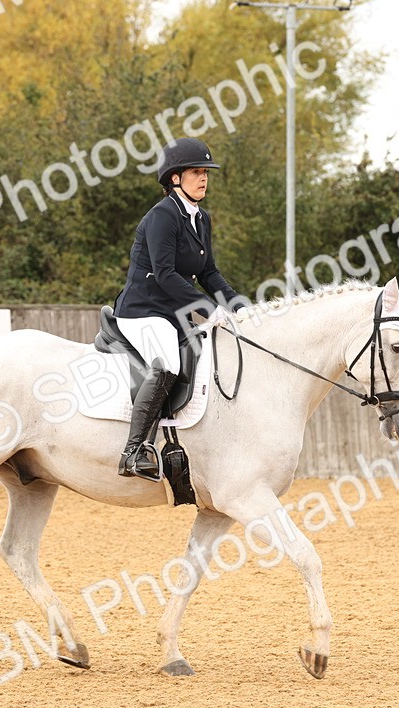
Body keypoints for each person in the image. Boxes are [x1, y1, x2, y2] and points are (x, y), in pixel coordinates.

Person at [113, 137, 248, 480]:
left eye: (206, 172)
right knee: (168, 365)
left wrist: (240, 307)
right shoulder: (162, 216)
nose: (204, 178)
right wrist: (208, 308)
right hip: (143, 310)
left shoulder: (201, 219)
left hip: (173, 313)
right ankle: (133, 452)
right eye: (196, 172)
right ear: (175, 178)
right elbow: (165, 274)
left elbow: (209, 273)